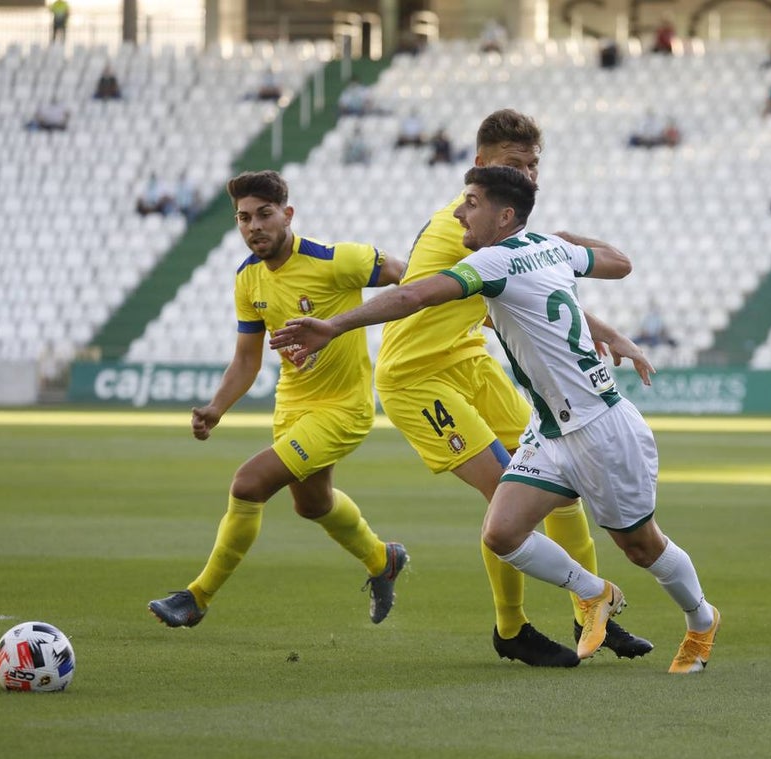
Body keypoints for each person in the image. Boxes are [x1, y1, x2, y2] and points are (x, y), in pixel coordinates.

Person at [271, 165, 719, 674]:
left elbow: (413, 295)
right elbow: (620, 263)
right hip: (550, 430)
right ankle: (594, 593)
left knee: (641, 546)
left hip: (600, 429)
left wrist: (333, 326)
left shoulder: (493, 262)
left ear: (505, 216)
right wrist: (565, 241)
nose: (460, 212)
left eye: (472, 203)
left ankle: (701, 621)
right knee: (502, 534)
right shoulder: (548, 248)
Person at [148, 170, 408, 629]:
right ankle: (381, 559)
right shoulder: (248, 279)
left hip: (343, 409)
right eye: (243, 218)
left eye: (264, 214)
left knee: (248, 483)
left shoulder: (337, 260)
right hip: (292, 405)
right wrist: (216, 407)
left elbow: (410, 280)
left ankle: (196, 597)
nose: (254, 226)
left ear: (287, 214)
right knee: (312, 505)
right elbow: (247, 359)